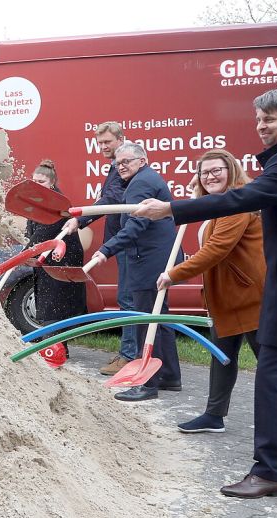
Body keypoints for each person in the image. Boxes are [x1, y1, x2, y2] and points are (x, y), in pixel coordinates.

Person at [134, 87, 277, 498]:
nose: (261, 126)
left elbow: (241, 199)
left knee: (273, 378)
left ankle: (269, 471)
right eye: (259, 119)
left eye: (270, 118)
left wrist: (170, 208)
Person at [158, 150, 277, 446]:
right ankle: (214, 415)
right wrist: (200, 194)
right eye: (204, 172)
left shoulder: (238, 203)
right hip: (226, 298)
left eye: (217, 170)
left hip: (253, 296)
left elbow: (217, 249)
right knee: (221, 358)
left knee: (273, 361)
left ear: (231, 170)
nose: (211, 176)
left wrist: (173, 274)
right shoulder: (218, 205)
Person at [91, 142, 182, 401]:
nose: (121, 167)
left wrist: (106, 250)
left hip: (151, 261)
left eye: (126, 162)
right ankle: (170, 376)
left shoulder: (141, 183)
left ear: (142, 161)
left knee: (146, 322)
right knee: (159, 319)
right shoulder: (146, 178)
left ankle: (148, 383)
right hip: (158, 258)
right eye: (117, 163)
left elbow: (136, 225)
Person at [62, 122, 137, 375]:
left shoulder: (124, 167)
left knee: (128, 299)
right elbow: (108, 200)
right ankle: (133, 354)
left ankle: (129, 357)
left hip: (129, 241)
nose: (103, 147)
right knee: (130, 299)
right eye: (100, 143)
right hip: (124, 241)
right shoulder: (117, 167)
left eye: (108, 142)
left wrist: (81, 218)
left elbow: (111, 200)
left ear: (121, 139)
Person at [24, 160, 87, 327]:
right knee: (50, 306)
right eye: (34, 181)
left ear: (52, 183)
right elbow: (32, 228)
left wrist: (26, 252)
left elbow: (45, 230)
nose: (37, 185)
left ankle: (57, 348)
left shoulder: (57, 203)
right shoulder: (39, 199)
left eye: (41, 182)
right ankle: (56, 347)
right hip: (49, 259)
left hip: (62, 262)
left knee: (56, 307)